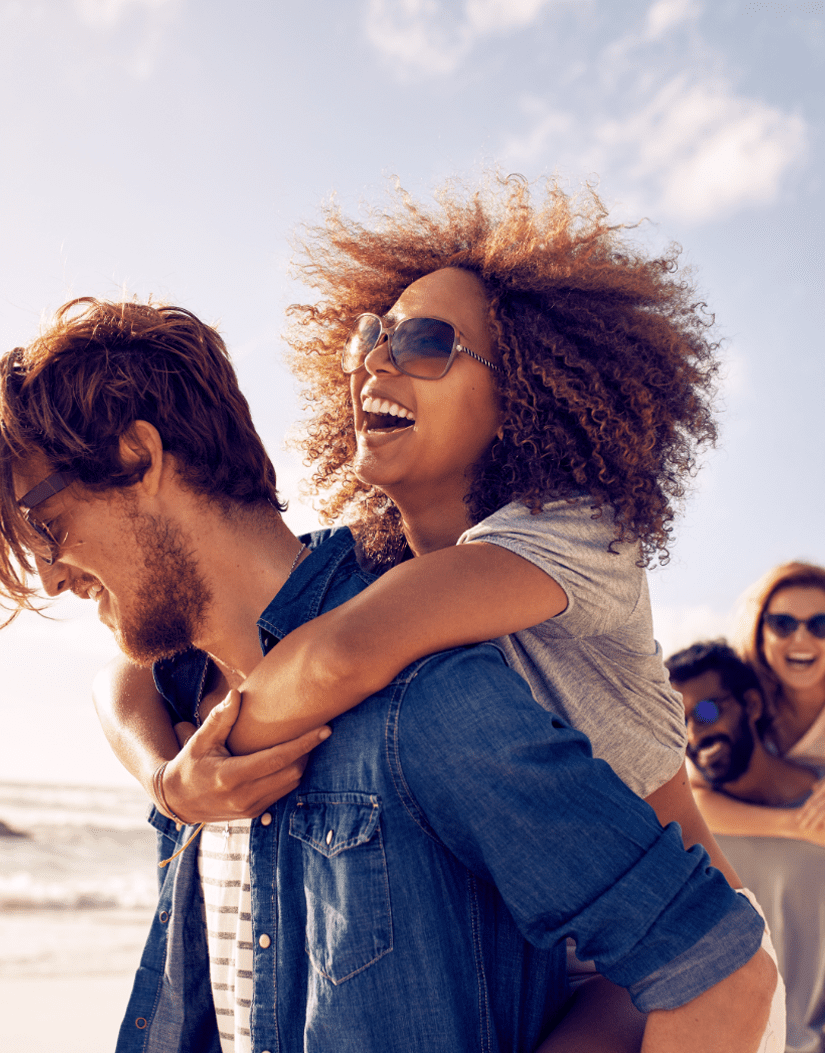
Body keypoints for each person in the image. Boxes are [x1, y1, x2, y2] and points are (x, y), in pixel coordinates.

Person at [0, 296, 776, 1053]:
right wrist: (169, 782)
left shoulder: (425, 690)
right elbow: (118, 685)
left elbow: (718, 972)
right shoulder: (185, 705)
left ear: (139, 457)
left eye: (46, 526)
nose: (51, 577)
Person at [668, 640, 825, 1052]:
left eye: (705, 712)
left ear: (751, 705)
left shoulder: (820, 791)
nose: (694, 733)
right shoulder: (689, 827)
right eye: (676, 721)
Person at [689, 563, 825, 842]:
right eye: (783, 624)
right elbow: (693, 798)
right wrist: (796, 825)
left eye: (820, 624)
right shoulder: (737, 698)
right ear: (760, 633)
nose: (801, 639)